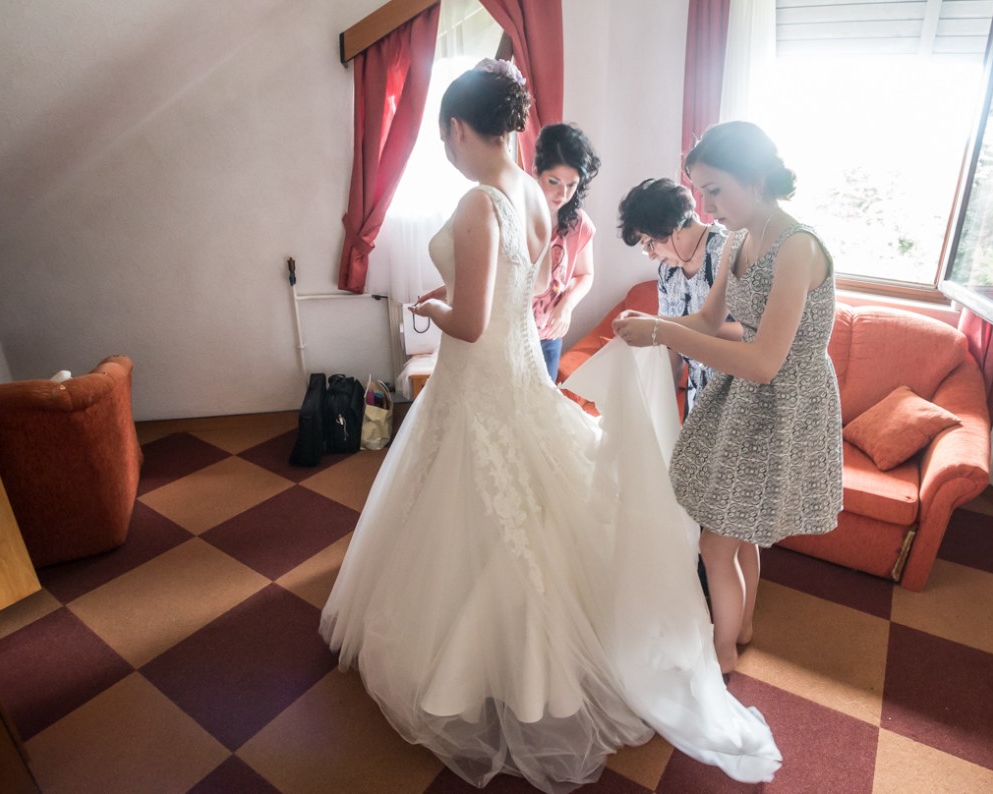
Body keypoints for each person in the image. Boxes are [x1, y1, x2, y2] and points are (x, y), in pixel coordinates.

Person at [320, 64, 780, 793]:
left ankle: (490, 659)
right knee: (530, 507)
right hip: (517, 373)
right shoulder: (533, 194)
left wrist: (431, 308)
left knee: (475, 510)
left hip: (478, 379)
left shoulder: (479, 200)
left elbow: (471, 324)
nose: (447, 148)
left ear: (457, 129)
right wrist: (466, 293)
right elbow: (530, 288)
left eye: (443, 137)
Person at [613, 121, 844, 676]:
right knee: (738, 537)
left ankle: (721, 657)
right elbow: (707, 320)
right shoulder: (739, 238)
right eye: (701, 192)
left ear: (756, 178)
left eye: (714, 190)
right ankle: (740, 630)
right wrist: (654, 322)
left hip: (784, 402)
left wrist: (662, 333)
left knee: (715, 546)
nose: (706, 207)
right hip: (743, 397)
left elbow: (765, 361)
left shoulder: (798, 247)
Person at [618, 178, 738, 414]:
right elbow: (670, 351)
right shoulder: (668, 272)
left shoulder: (727, 252)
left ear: (673, 226)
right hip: (697, 401)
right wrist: (660, 412)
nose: (651, 255)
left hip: (737, 397)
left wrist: (665, 328)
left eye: (649, 243)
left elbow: (754, 335)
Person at [531, 123, 600, 381]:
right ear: (536, 171)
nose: (563, 194)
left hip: (549, 337)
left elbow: (586, 275)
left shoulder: (579, 224)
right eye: (554, 182)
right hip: (510, 334)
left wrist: (567, 306)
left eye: (572, 185)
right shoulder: (515, 214)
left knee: (543, 404)